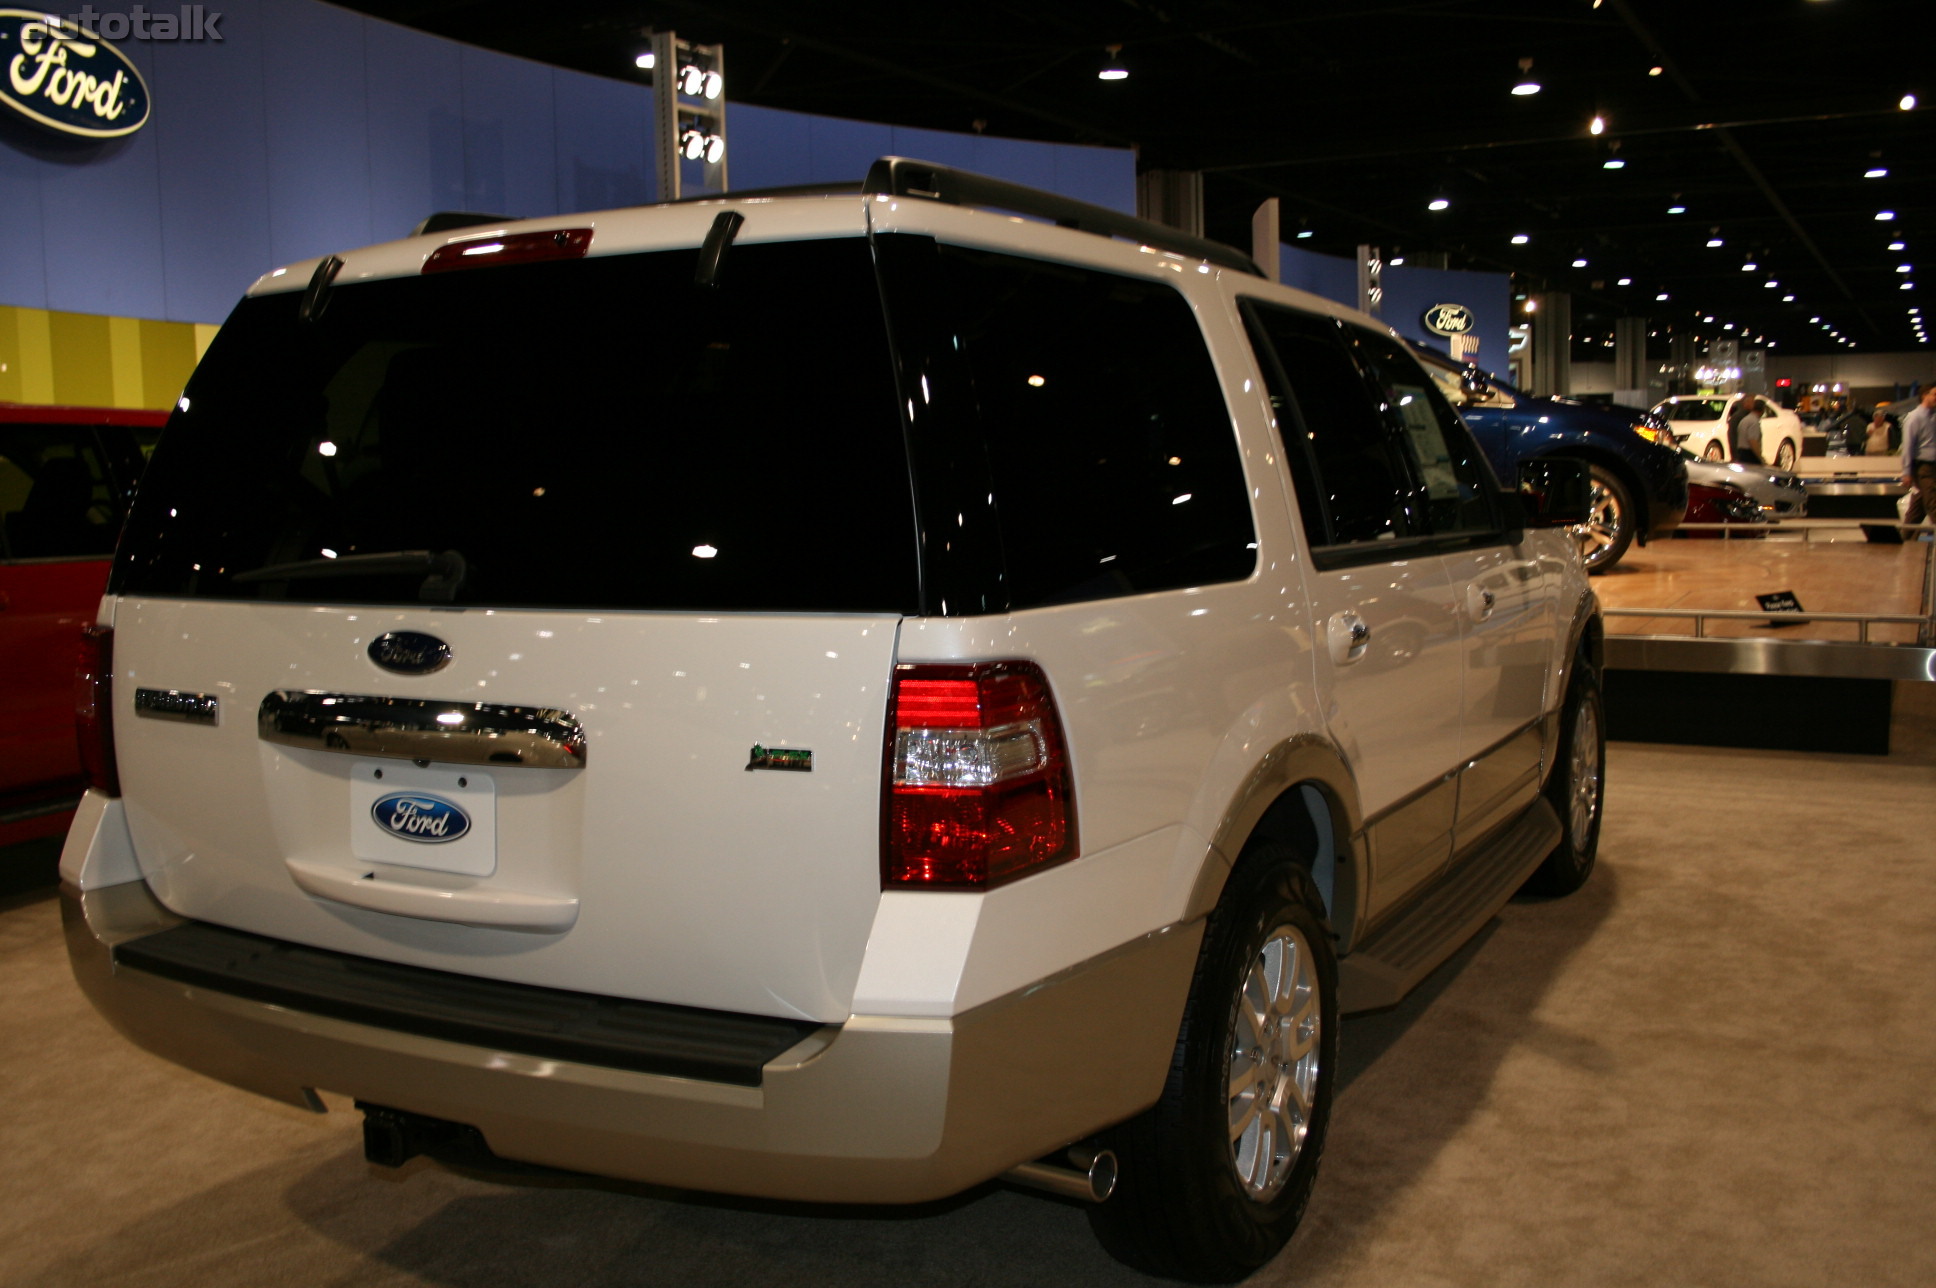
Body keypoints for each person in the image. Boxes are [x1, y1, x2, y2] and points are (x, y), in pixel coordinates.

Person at [1901, 386, 1936, 487]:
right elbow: (1908, 446)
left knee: (1919, 500)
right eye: (1935, 395)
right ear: (1925, 395)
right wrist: (1906, 472)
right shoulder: (1914, 418)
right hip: (1924, 467)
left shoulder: (1933, 417)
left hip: (1932, 467)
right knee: (1932, 500)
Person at [1729, 394, 1763, 465]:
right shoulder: (1742, 417)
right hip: (1746, 454)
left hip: (1741, 453)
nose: (1753, 404)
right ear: (1746, 403)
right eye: (1752, 402)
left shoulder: (1745, 417)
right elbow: (1734, 436)